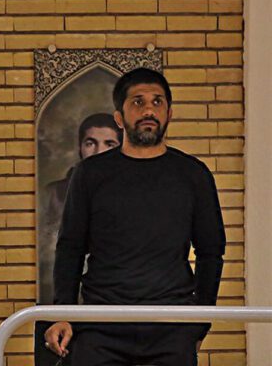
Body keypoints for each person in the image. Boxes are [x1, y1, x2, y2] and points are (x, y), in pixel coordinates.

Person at [44, 68, 226, 365]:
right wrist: (63, 313)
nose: (148, 110)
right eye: (138, 102)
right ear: (119, 117)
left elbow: (211, 251)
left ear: (169, 113)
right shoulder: (90, 174)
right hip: (101, 325)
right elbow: (70, 247)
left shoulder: (193, 174)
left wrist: (200, 321)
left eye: (157, 102)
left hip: (171, 325)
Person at [36, 114, 121, 365]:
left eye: (109, 144)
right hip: (73, 306)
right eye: (90, 143)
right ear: (79, 147)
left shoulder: (132, 193)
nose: (98, 151)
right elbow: (64, 249)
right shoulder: (55, 192)